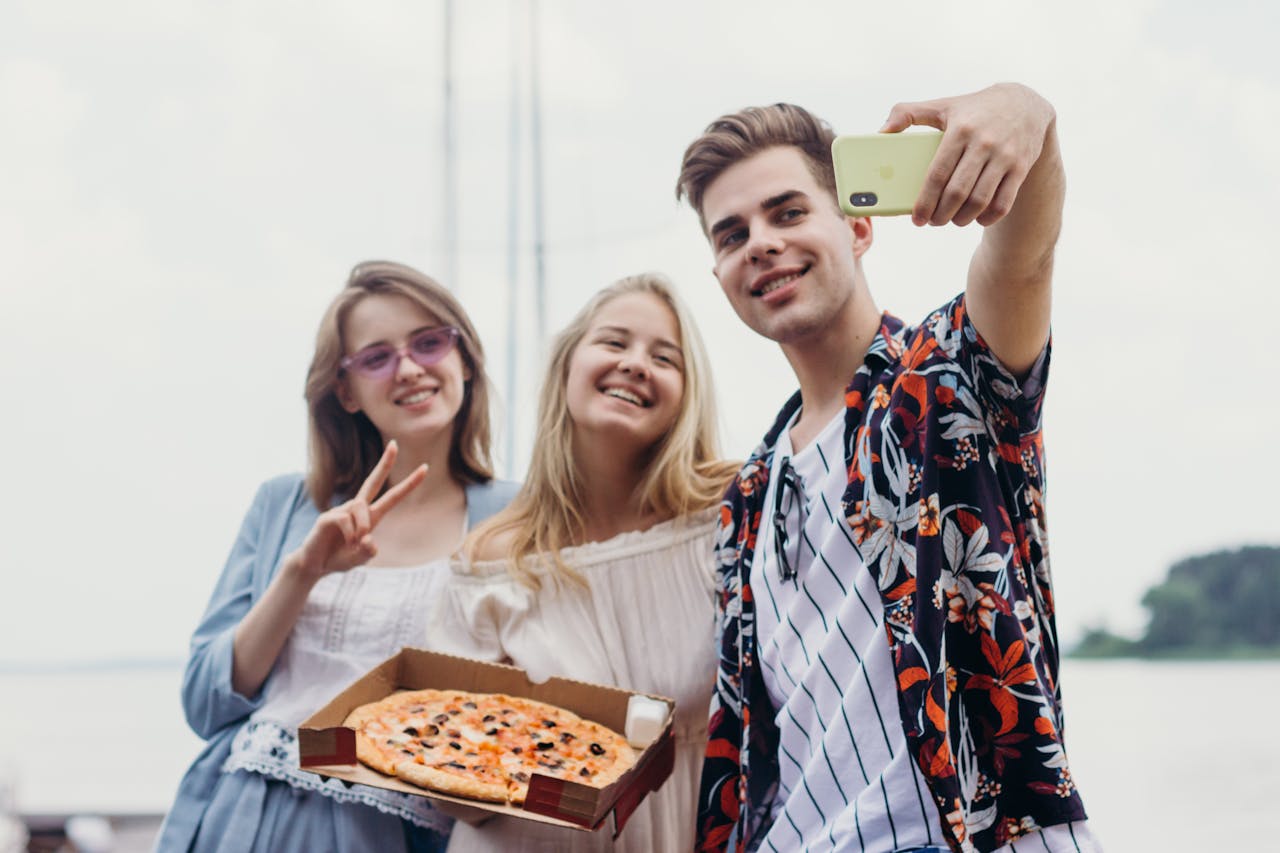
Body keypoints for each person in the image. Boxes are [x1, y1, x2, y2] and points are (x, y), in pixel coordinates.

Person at [675, 84, 1099, 852]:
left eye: (788, 211)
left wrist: (1029, 116)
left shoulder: (947, 379)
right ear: (721, 273)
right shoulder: (747, 496)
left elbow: (1024, 254)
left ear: (859, 225)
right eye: (731, 234)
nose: (761, 242)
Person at [155, 262, 519, 853]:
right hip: (244, 815)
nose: (408, 368)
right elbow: (205, 702)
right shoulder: (285, 504)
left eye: (429, 342)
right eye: (376, 357)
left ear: (465, 359)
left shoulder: (519, 515)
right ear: (345, 391)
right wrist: (302, 572)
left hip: (399, 830)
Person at [426, 273, 738, 851]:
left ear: (688, 392)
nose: (636, 364)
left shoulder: (726, 517)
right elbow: (451, 793)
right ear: (568, 365)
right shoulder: (492, 559)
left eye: (663, 357)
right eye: (615, 343)